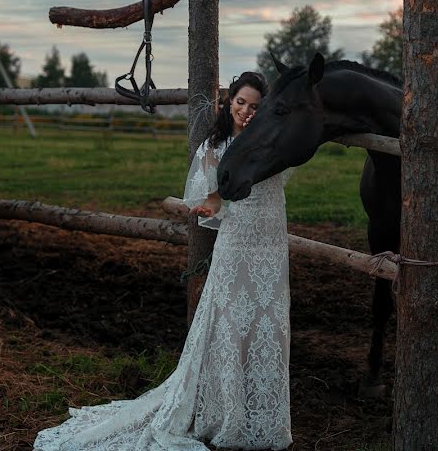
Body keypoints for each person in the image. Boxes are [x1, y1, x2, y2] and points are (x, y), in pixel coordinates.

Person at [34, 71, 294, 451]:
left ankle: (264, 417)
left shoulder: (273, 142)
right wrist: (210, 203)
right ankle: (225, 412)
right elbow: (207, 196)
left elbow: (284, 175)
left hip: (270, 241)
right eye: (240, 103)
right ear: (229, 102)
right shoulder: (217, 144)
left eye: (255, 106)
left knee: (267, 322)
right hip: (237, 243)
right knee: (230, 322)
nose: (246, 112)